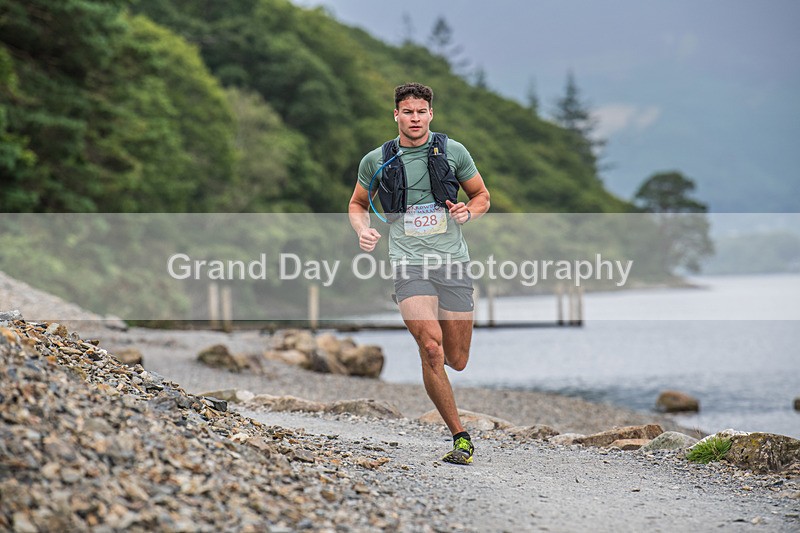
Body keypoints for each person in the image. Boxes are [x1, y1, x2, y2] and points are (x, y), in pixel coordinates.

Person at [348, 82, 490, 464]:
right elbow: (358, 204)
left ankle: (439, 373)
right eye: (407, 112)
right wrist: (364, 230)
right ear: (396, 114)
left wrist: (467, 212)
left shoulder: (454, 151)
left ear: (431, 114)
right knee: (430, 347)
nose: (414, 118)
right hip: (408, 263)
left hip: (452, 261)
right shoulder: (376, 159)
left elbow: (482, 196)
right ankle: (460, 436)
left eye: (421, 112)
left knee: (456, 359)